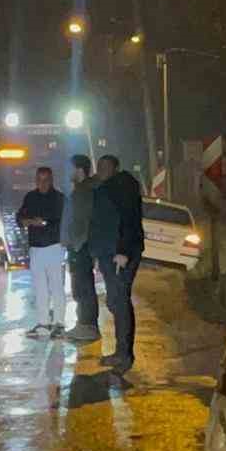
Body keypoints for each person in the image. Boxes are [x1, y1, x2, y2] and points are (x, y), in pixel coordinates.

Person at [87, 154, 145, 373]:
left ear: (115, 168)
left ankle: (124, 355)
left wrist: (122, 251)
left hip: (119, 254)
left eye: (105, 166)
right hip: (109, 253)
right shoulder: (109, 187)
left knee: (119, 301)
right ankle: (121, 351)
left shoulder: (121, 187)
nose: (100, 169)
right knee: (115, 301)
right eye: (99, 166)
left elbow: (128, 220)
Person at [15, 166, 67, 338]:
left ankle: (59, 323)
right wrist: (28, 221)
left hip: (53, 246)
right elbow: (20, 217)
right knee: (40, 288)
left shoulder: (59, 198)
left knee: (56, 286)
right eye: (39, 179)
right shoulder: (30, 197)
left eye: (45, 180)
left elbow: (60, 221)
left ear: (51, 180)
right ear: (35, 180)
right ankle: (43, 323)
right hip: (36, 247)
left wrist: (42, 223)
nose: (42, 183)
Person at [62, 154, 102, 343]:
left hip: (81, 247)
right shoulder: (80, 190)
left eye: (69, 168)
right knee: (80, 286)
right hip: (78, 247)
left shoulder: (85, 191)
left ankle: (88, 327)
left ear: (79, 170)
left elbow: (85, 221)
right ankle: (83, 324)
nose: (66, 171)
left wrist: (78, 243)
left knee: (83, 287)